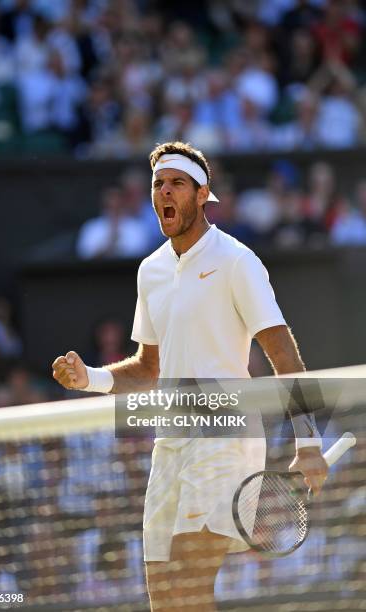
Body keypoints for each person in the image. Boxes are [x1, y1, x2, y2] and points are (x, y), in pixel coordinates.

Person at [52, 141, 328, 612]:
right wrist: (90, 379)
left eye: (178, 183)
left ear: (203, 196)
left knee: (188, 579)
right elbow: (148, 368)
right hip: (170, 444)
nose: (166, 191)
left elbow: (284, 357)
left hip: (227, 437)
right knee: (166, 599)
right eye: (159, 184)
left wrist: (308, 444)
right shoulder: (150, 270)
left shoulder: (238, 261)